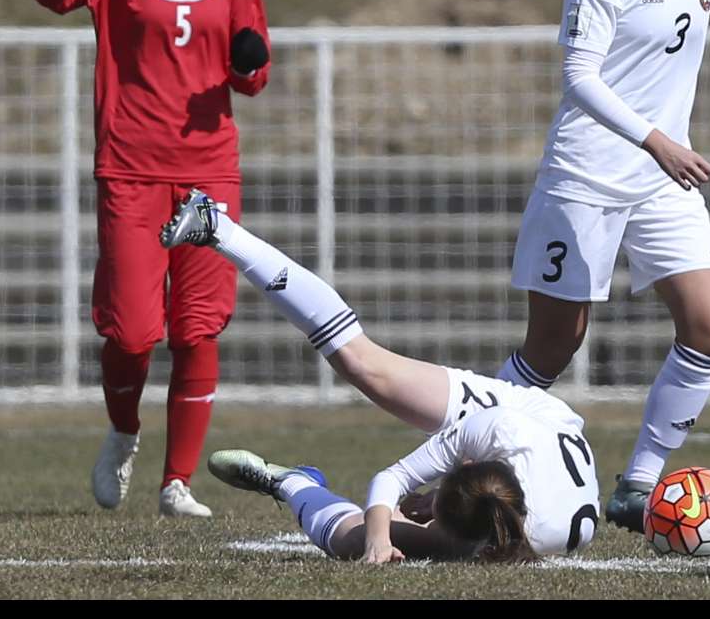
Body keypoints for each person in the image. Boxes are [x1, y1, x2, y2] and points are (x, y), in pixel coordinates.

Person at [497, 0, 710, 535]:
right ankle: (458, 465)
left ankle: (639, 483)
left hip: (663, 176)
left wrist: (665, 146)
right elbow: (578, 75)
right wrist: (654, 139)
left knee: (709, 328)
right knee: (552, 348)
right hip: (588, 174)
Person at [32, 0, 272, 518]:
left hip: (208, 169)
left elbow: (251, 76)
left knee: (198, 326)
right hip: (132, 167)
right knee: (133, 331)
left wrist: (251, 57)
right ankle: (123, 432)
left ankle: (178, 482)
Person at [161, 190, 600, 562]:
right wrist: (385, 534)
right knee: (365, 366)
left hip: (520, 469)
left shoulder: (512, 534)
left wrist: (376, 541)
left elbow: (436, 513)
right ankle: (218, 226)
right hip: (532, 416)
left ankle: (293, 482)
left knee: (357, 541)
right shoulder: (491, 431)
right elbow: (389, 480)